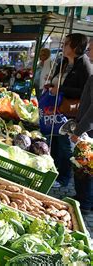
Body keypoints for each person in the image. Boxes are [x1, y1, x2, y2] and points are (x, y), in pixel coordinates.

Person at [47, 33, 92, 188]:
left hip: (70, 112)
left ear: (75, 47)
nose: (63, 46)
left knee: (66, 147)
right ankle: (53, 173)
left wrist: (61, 89)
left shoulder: (85, 65)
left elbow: (84, 91)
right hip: (56, 109)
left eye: (66, 43)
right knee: (55, 143)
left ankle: (63, 179)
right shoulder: (63, 62)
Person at [70, 38, 93, 212]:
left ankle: (85, 202)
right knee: (82, 165)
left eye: (91, 49)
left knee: (86, 166)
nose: (88, 52)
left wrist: (79, 130)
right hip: (86, 128)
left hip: (89, 130)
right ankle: (82, 198)